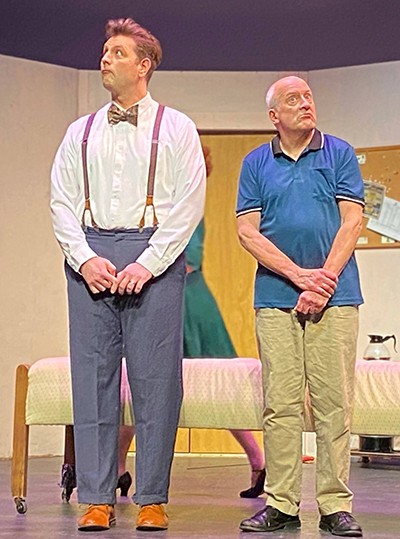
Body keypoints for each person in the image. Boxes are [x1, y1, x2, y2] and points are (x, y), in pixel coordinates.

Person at [50, 17, 205, 533]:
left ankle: (152, 497)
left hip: (152, 255)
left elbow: (188, 205)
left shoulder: (176, 127)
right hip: (91, 255)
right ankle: (97, 496)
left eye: (117, 52)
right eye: (104, 50)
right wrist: (84, 258)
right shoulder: (80, 131)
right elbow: (61, 202)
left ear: (144, 66)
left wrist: (147, 263)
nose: (105, 58)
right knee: (92, 378)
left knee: (156, 381)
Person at [236, 76, 364, 537]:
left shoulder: (339, 153)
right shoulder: (255, 163)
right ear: (274, 116)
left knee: (334, 403)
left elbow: (353, 220)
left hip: (336, 297)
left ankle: (335, 505)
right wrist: (298, 276)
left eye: (308, 97)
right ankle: (281, 503)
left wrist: (322, 282)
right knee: (281, 404)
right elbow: (247, 231)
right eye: (294, 99)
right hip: (276, 299)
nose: (306, 104)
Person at [184, 146, 266, 498]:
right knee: (135, 383)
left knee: (221, 385)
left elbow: (187, 260)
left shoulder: (186, 208)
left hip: (187, 301)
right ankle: (118, 469)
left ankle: (259, 460)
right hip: (179, 297)